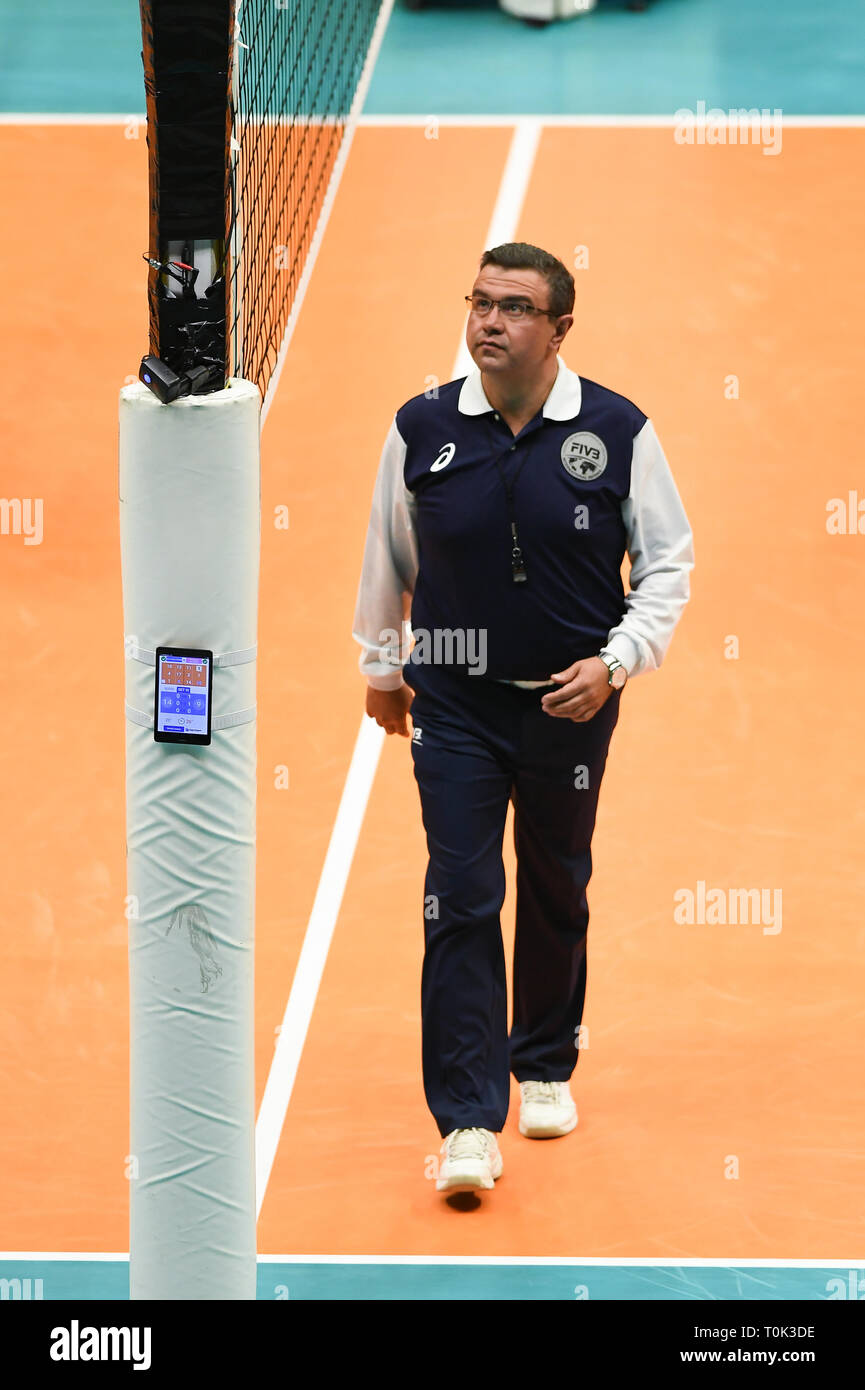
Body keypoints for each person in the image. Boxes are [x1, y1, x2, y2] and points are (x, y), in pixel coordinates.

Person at [352, 242, 693, 1195]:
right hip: (453, 703)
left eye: (512, 308)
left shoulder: (617, 431)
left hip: (567, 702)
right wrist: (383, 667)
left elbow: (667, 566)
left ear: (558, 330)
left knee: (555, 884)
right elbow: (389, 553)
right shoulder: (422, 427)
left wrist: (615, 664)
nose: (487, 323)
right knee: (459, 895)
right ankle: (466, 1119)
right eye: (478, 303)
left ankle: (541, 1061)